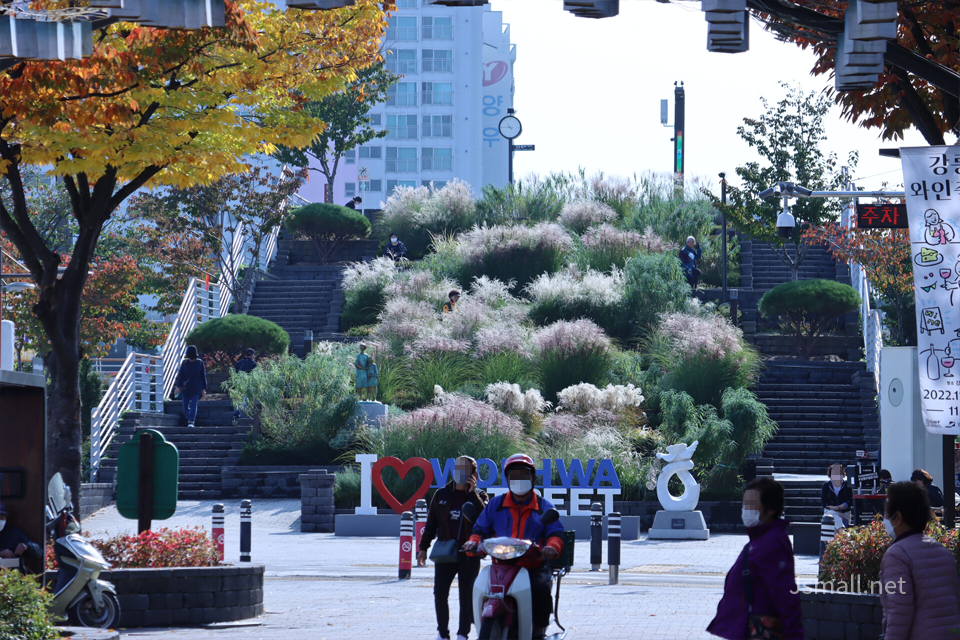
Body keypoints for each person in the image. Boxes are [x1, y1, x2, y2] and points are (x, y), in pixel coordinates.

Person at [463, 453, 564, 640]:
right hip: (500, 564)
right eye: (514, 475)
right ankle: (478, 624)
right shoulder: (496, 504)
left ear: (532, 478)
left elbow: (555, 534)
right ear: (508, 479)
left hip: (532, 565)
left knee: (541, 589)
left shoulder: (544, 506)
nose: (519, 479)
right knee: (474, 588)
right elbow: (479, 529)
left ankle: (539, 630)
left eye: (524, 475)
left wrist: (552, 547)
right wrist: (473, 542)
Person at [707, 477, 804, 640]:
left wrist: (795, 636)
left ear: (770, 509)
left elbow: (785, 595)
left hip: (759, 630)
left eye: (751, 504)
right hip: (748, 628)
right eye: (744, 504)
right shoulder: (760, 539)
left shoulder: (772, 542)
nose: (745, 509)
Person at [418, 456, 489, 640]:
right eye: (457, 468)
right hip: (445, 552)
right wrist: (423, 548)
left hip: (469, 553)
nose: (459, 472)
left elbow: (485, 519)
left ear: (473, 474)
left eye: (464, 469)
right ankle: (442, 633)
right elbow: (431, 523)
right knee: (440, 593)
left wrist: (472, 494)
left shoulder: (480, 495)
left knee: (466, 595)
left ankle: (462, 634)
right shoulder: (441, 494)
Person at [879, 481, 960, 639]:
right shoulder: (943, 552)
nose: (884, 519)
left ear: (898, 518)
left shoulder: (897, 555)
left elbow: (899, 613)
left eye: (886, 514)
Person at [174, 345, 206, 428]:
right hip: (186, 387)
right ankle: (189, 418)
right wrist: (178, 386)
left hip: (197, 387)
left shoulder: (200, 363)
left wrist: (204, 388)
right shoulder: (185, 363)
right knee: (185, 405)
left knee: (194, 404)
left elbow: (203, 376)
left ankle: (191, 421)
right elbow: (180, 375)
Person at [821, 462, 853, 529]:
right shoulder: (826, 486)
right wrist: (838, 513)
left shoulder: (847, 485)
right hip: (830, 513)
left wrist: (836, 508)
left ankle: (840, 530)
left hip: (845, 515)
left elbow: (849, 502)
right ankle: (841, 530)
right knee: (832, 517)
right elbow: (825, 504)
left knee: (834, 523)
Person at [231, 348, 257, 426]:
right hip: (248, 386)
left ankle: (235, 415)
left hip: (238, 385)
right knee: (245, 402)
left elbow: (234, 375)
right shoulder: (254, 364)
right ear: (252, 355)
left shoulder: (238, 363)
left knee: (238, 401)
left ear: (246, 355)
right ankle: (242, 419)